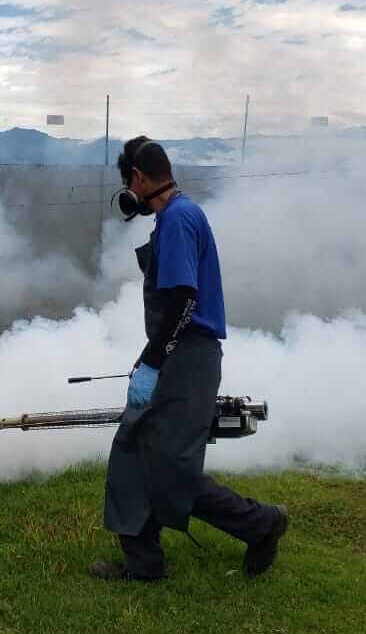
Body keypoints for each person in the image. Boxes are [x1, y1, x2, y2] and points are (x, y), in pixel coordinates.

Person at [89, 136, 289, 582]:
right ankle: (144, 561)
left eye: (130, 183)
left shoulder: (178, 219)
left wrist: (156, 362)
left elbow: (182, 298)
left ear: (138, 179)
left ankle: (261, 523)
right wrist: (152, 358)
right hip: (183, 354)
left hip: (188, 357)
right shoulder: (177, 216)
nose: (131, 194)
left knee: (168, 466)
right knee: (139, 452)